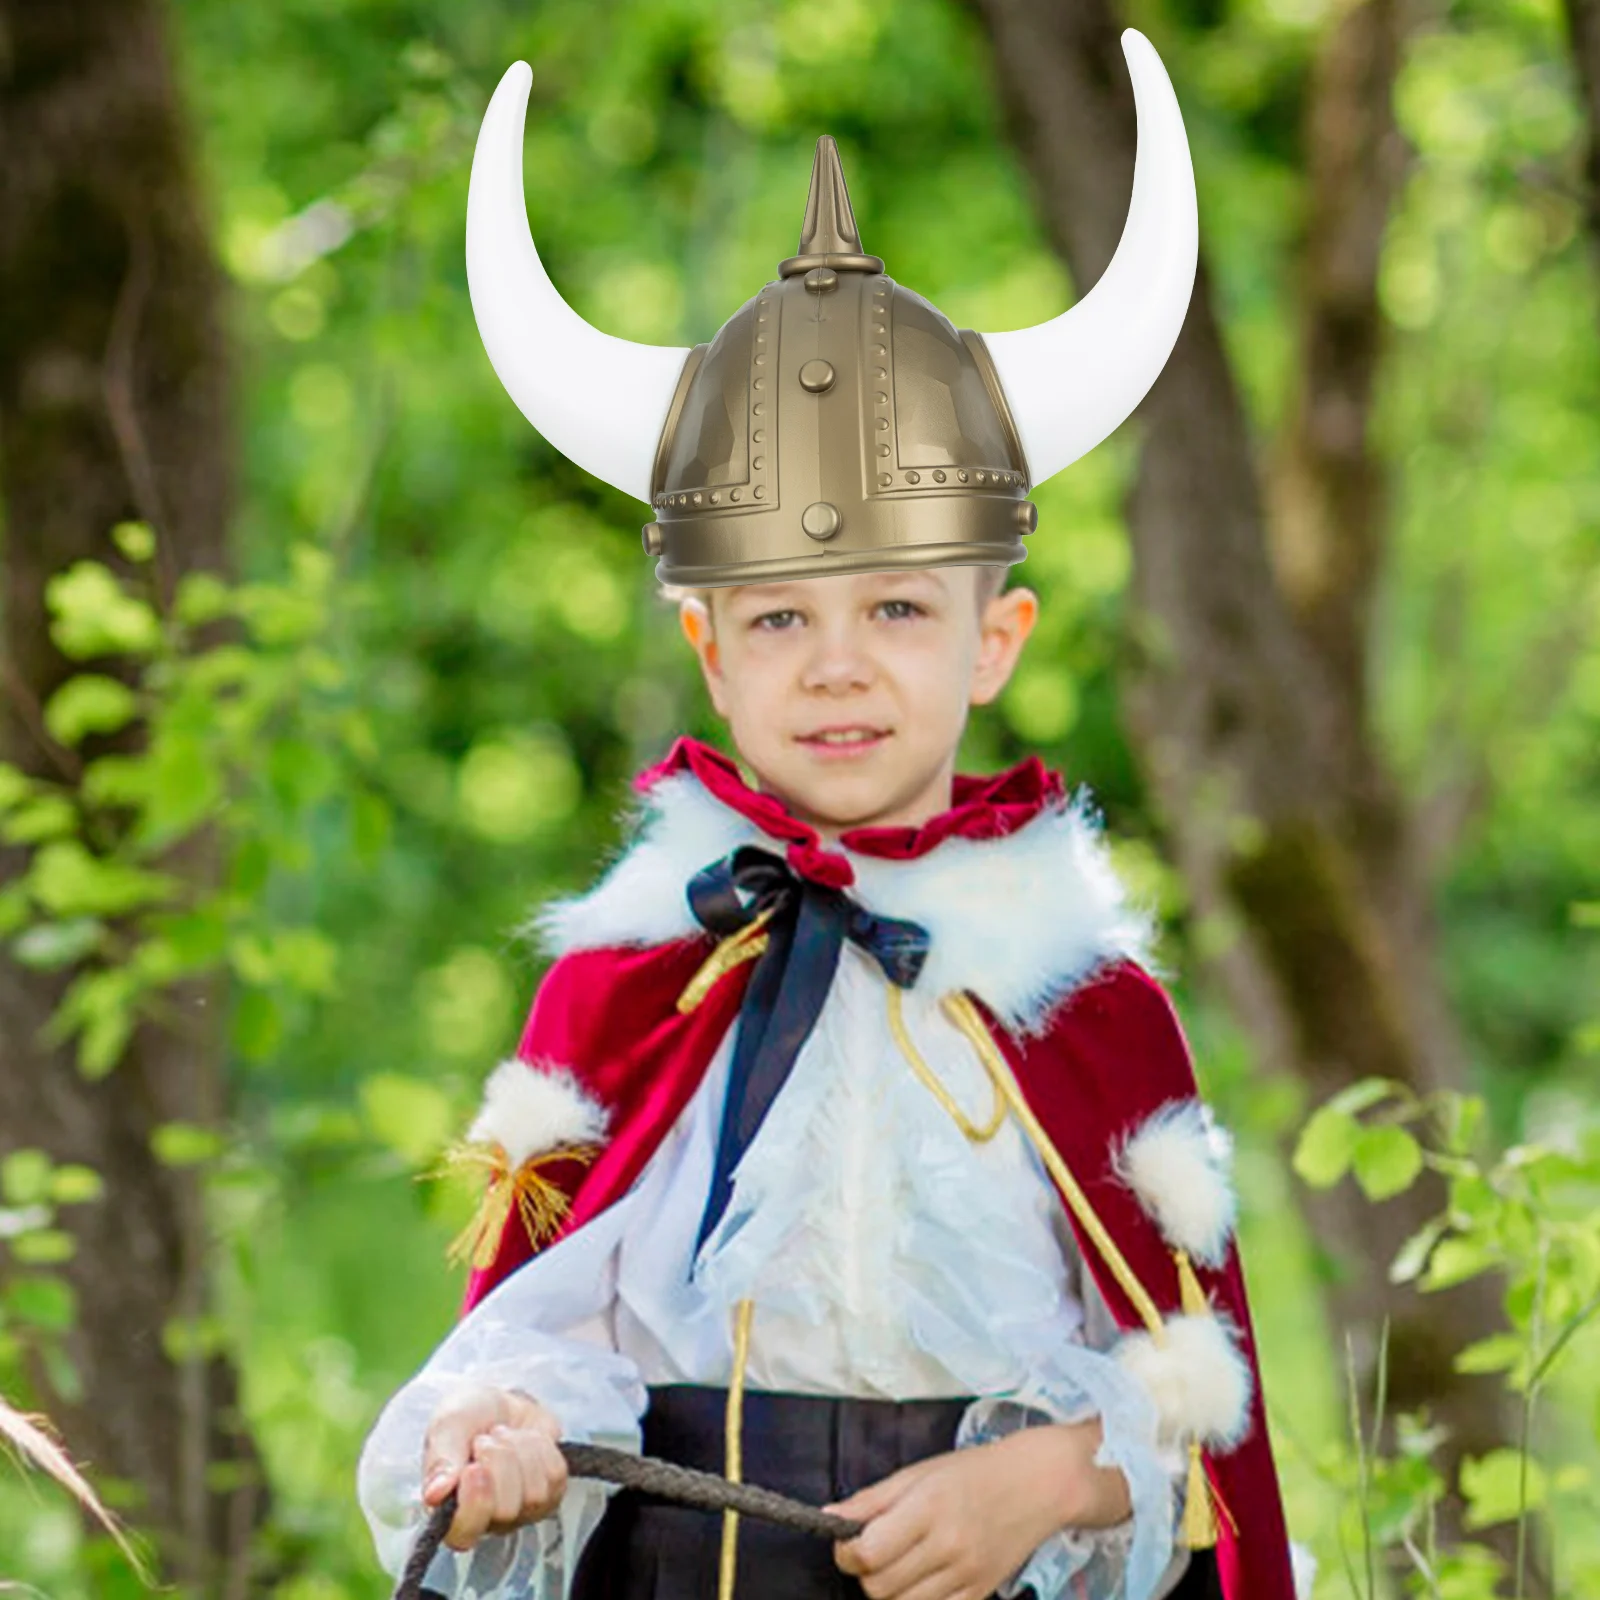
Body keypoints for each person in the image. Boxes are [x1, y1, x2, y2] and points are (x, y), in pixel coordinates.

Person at [359, 29, 1315, 1600]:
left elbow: (1192, 1398)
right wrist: (502, 1432)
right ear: (706, 651)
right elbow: (553, 1325)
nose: (841, 667)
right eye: (782, 621)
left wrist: (1043, 1478)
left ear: (996, 641)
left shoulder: (1084, 996)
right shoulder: (640, 974)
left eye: (896, 609)